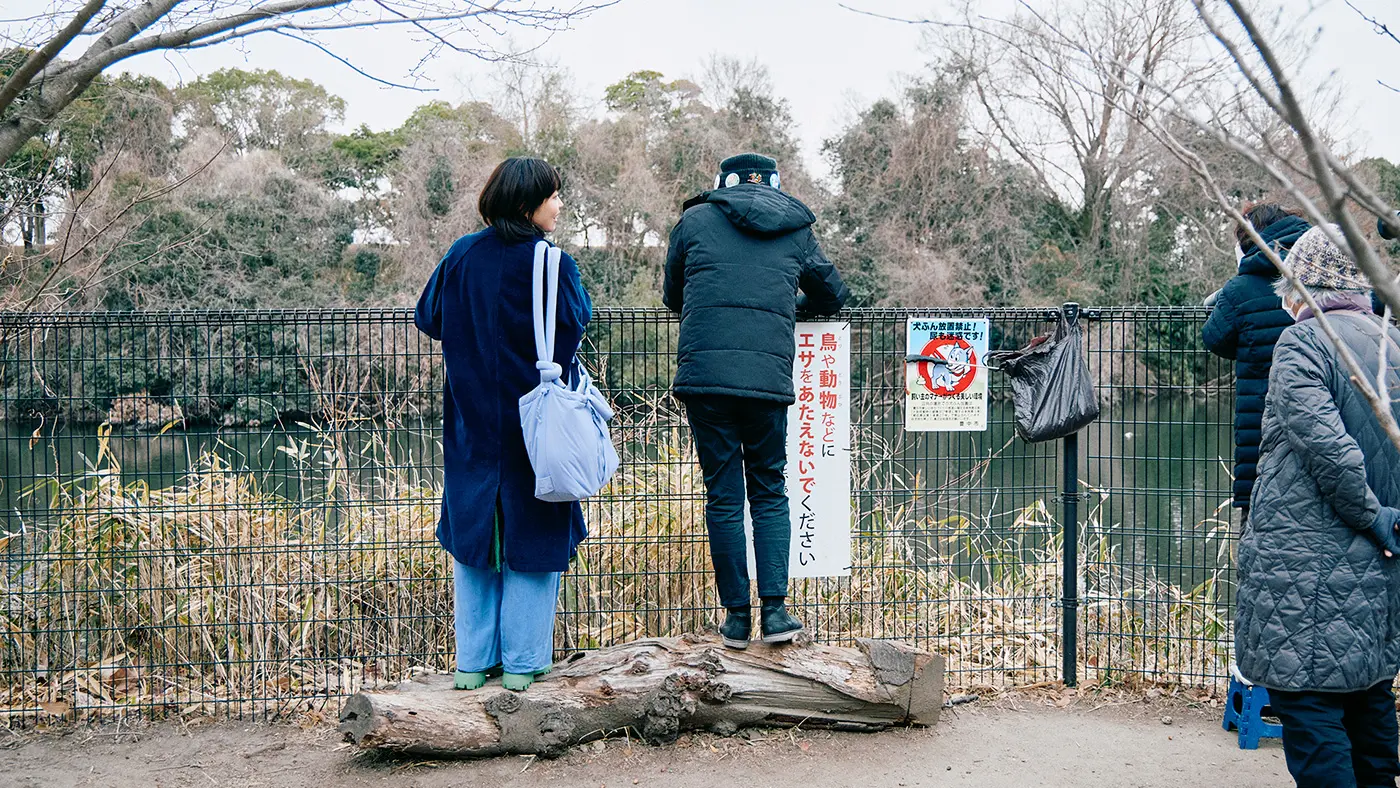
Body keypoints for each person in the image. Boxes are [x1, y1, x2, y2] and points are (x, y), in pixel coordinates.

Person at [414, 157, 593, 692]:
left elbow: (429, 318)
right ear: (527, 204)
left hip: (471, 422)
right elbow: (573, 328)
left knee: (473, 536)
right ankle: (522, 663)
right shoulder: (551, 263)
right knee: (534, 538)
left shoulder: (461, 255)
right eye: (553, 196)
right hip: (535, 427)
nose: (559, 205)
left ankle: (472, 663)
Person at [1234, 224, 1400, 788]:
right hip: (1378, 561)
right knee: (1366, 699)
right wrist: (1386, 520)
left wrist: (1368, 511)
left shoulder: (1304, 343)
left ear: (1305, 285)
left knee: (1309, 707)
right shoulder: (1391, 343)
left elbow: (1326, 447)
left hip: (1304, 567)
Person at [663, 153, 850, 650]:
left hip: (705, 378)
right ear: (774, 184)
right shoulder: (796, 226)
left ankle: (736, 621)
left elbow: (673, 295)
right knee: (769, 489)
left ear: (721, 182)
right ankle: (777, 612)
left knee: (723, 494)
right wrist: (788, 309)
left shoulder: (695, 220)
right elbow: (834, 295)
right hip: (767, 378)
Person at [1202, 203, 1311, 531]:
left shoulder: (1239, 290)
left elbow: (1214, 338)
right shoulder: (1317, 276)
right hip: (1320, 419)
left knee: (1258, 533)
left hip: (1261, 428)